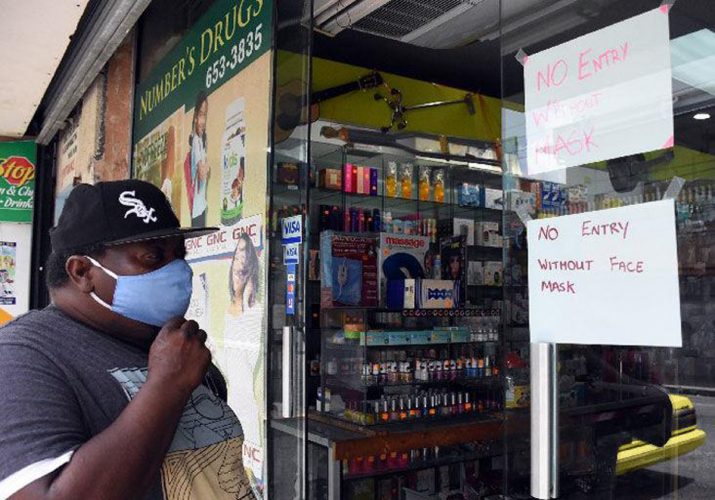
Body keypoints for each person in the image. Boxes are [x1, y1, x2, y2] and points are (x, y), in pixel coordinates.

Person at [0, 180, 255, 500]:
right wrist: (168, 386)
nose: (178, 270)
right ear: (82, 272)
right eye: (153, 256)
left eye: (179, 255)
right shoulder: (22, 356)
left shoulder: (169, 345)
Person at [222, 233, 264, 493]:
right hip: (232, 395)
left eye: (244, 255)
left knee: (253, 466)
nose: (239, 262)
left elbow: (249, 357)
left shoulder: (254, 308)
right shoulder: (231, 304)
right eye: (237, 254)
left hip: (245, 397)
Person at [188, 92, 210, 227]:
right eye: (201, 115)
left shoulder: (200, 141)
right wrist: (206, 168)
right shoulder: (196, 141)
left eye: (205, 115)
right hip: (197, 209)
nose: (203, 121)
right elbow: (201, 173)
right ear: (195, 117)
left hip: (200, 206)